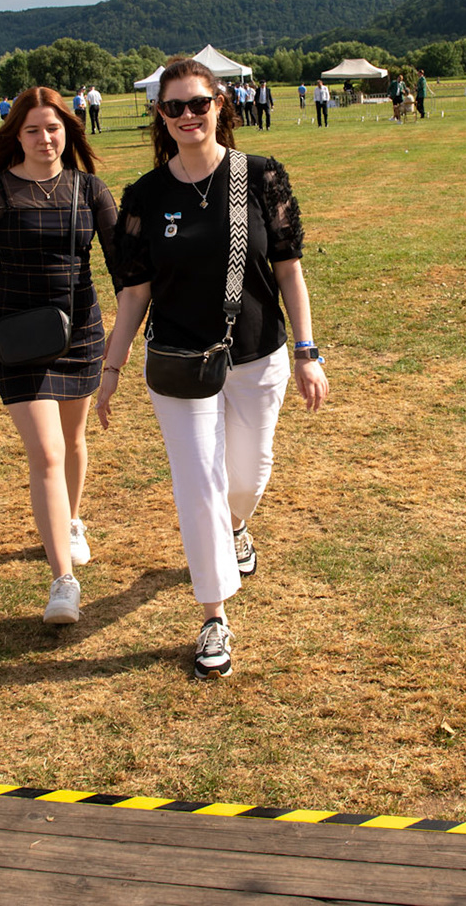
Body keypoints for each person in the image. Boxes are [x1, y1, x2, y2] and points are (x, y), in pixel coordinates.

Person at [97, 58, 327, 679]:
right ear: (160, 115)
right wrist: (111, 368)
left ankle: (236, 526)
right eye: (174, 107)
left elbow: (289, 272)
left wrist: (307, 351)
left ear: (220, 104)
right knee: (199, 483)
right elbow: (134, 293)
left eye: (198, 103)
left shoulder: (261, 176)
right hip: (179, 363)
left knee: (244, 479)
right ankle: (213, 616)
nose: (188, 116)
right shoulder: (145, 197)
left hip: (257, 355)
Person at [0, 88, 118, 627]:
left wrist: (131, 331)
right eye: (33, 129)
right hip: (16, 336)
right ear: (16, 134)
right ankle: (63, 582)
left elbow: (125, 265)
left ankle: (72, 520)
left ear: (68, 131)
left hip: (80, 332)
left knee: (74, 441)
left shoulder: (90, 189)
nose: (44, 139)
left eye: (53, 128)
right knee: (47, 453)